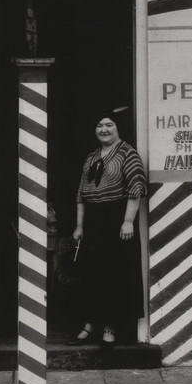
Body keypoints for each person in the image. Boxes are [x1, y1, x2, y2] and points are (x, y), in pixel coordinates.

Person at [67, 107, 146, 348]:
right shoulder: (91, 157)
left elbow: (136, 187)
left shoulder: (128, 153)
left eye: (109, 125)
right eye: (100, 126)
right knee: (92, 274)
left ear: (117, 127)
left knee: (115, 274)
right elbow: (81, 193)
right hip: (94, 221)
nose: (104, 130)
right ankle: (90, 325)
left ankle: (111, 328)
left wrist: (127, 221)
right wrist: (80, 226)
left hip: (117, 219)